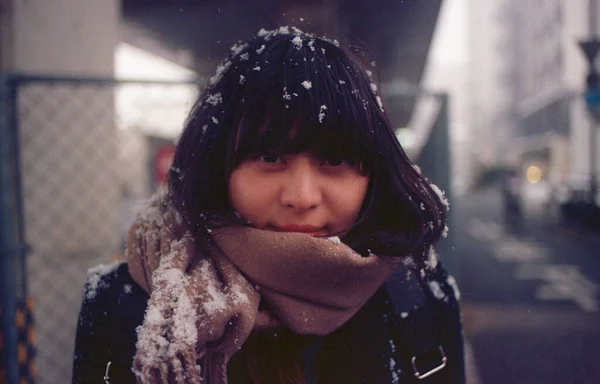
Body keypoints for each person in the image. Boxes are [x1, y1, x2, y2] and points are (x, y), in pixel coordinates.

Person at [73, 26, 465, 384]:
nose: (302, 197)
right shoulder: (122, 303)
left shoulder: (419, 297)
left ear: (373, 175)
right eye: (269, 157)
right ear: (218, 164)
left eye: (335, 162)